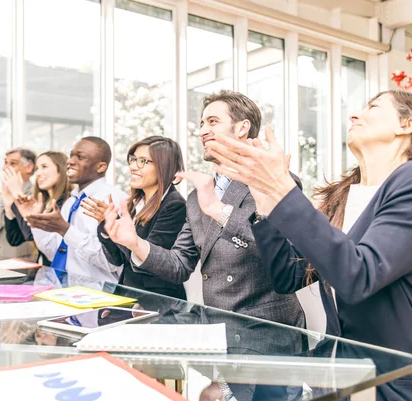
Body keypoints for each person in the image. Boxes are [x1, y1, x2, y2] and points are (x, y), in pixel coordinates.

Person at [207, 89, 412, 401]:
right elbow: (288, 275)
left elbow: (358, 276)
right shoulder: (346, 196)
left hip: (394, 387)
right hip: (342, 380)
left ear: (407, 123)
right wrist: (265, 202)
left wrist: (282, 187)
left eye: (373, 106)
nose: (354, 115)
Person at [102, 90, 305, 336]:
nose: (201, 131)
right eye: (201, 123)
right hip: (217, 331)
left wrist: (220, 211)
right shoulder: (197, 198)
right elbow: (178, 266)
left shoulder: (274, 181)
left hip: (269, 332)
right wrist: (134, 243)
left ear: (242, 127)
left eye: (213, 122)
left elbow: (285, 258)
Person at [83, 136, 187, 300]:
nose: (132, 167)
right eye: (133, 160)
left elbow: (149, 264)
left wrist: (122, 235)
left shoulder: (174, 206)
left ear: (163, 166)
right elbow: (116, 260)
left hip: (158, 304)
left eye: (143, 161)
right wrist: (106, 226)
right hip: (129, 297)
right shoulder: (133, 204)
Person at [20, 137, 127, 286]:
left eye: (80, 157)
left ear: (101, 167)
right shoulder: (70, 202)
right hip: (68, 292)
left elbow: (110, 262)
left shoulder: (113, 200)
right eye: (71, 155)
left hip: (99, 298)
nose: (70, 161)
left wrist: (66, 230)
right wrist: (34, 222)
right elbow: (54, 253)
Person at [2, 151, 72, 266]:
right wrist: (8, 204)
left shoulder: (66, 202)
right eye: (37, 168)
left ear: (62, 169)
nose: (38, 173)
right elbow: (15, 239)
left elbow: (30, 234)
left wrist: (17, 194)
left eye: (44, 167)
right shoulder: (42, 203)